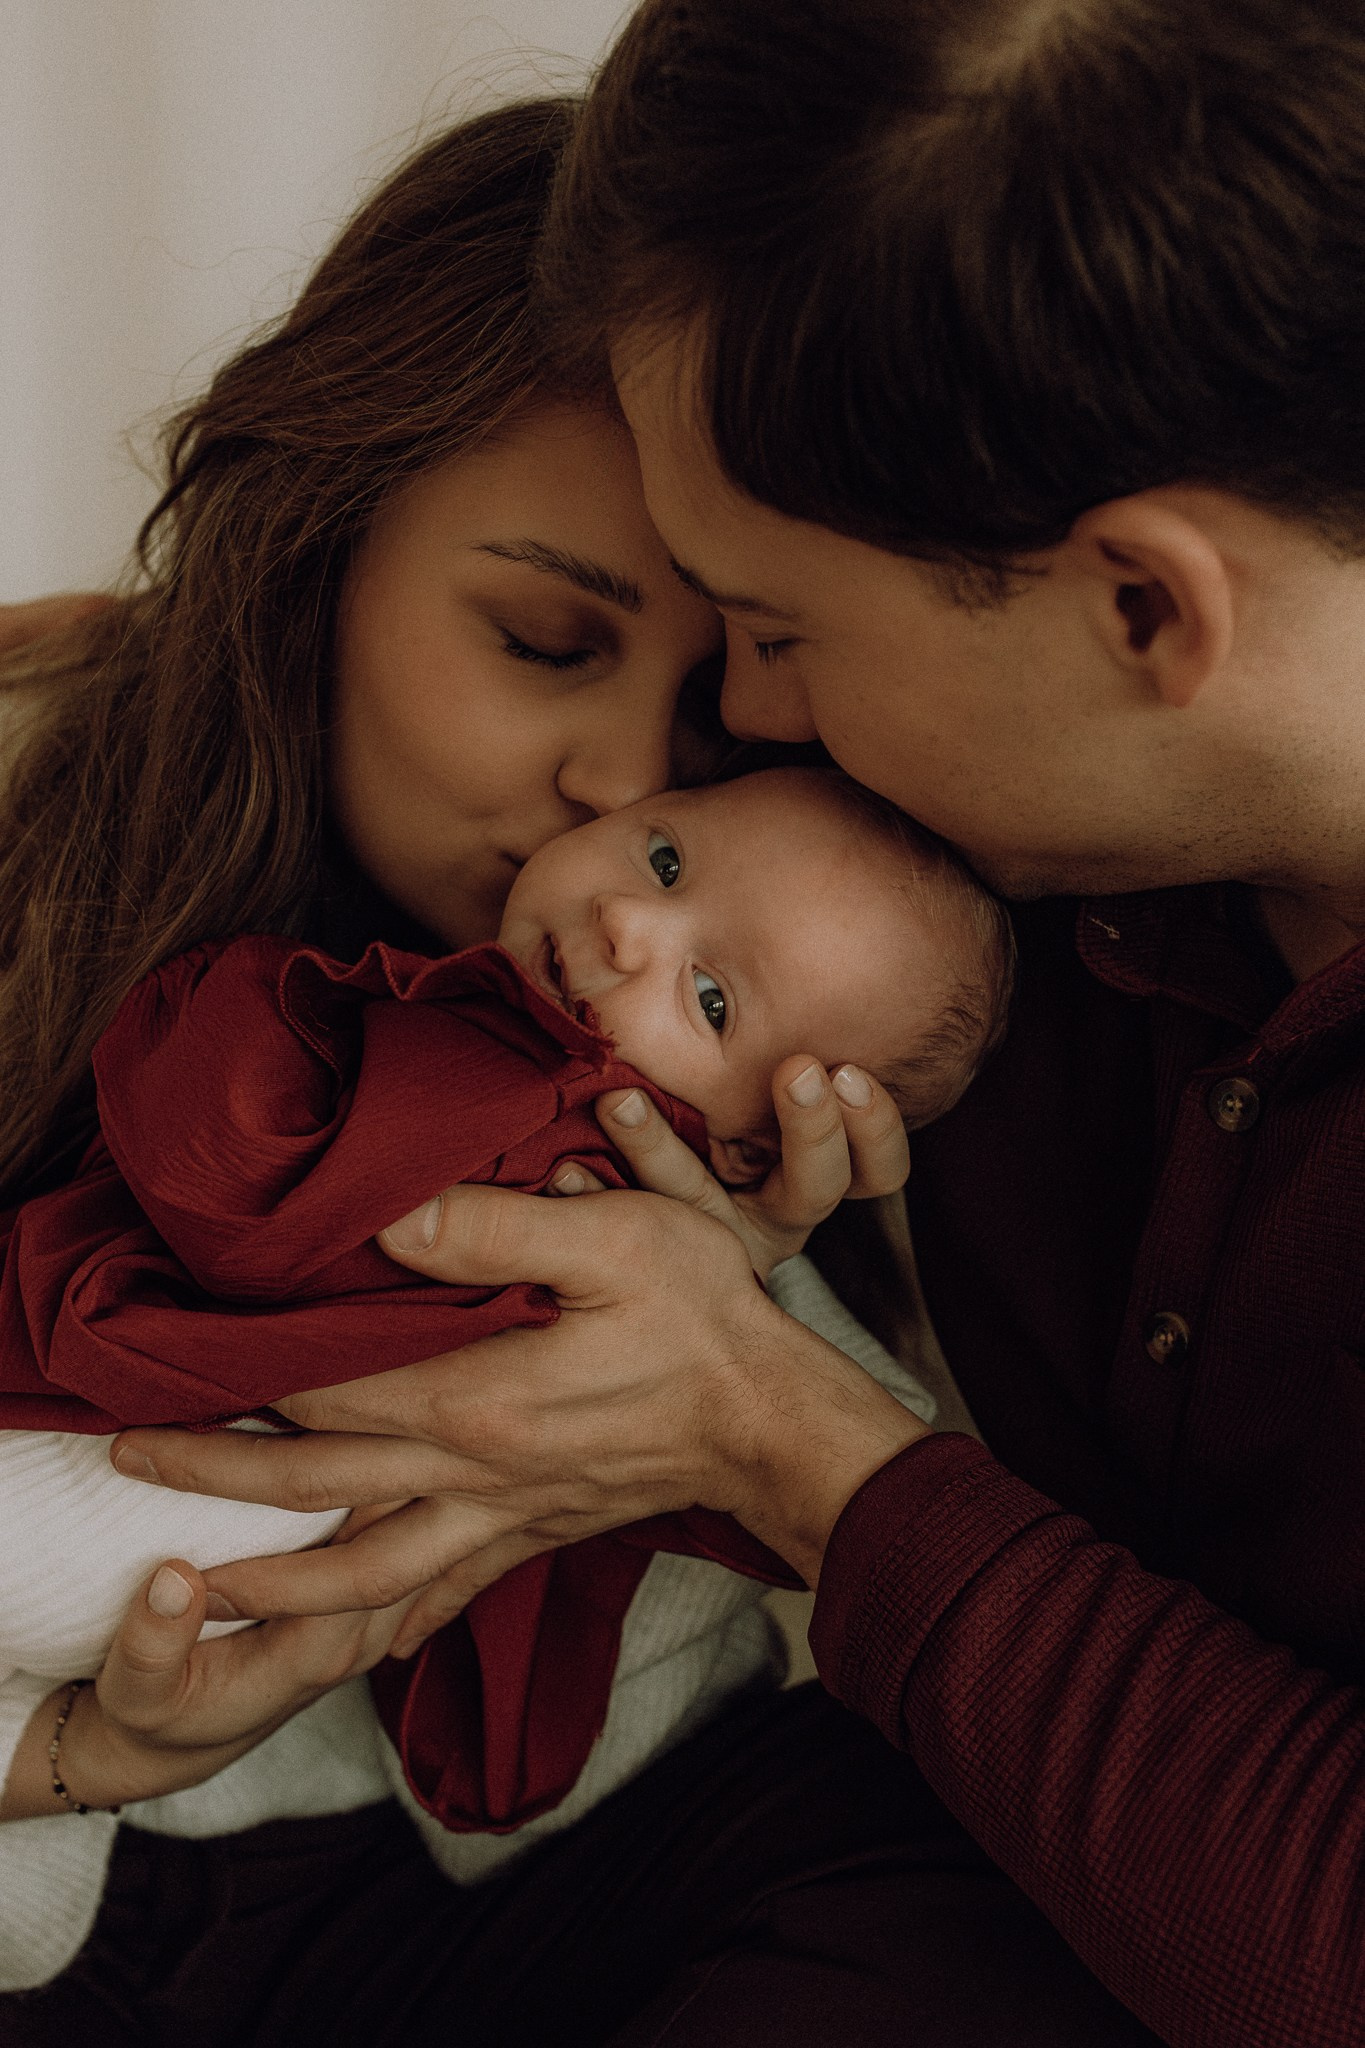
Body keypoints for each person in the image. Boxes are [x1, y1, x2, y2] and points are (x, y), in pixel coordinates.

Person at [112, 4, 1365, 2044]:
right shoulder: (1011, 846)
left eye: (774, 636)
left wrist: (774, 1429)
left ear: (1142, 610)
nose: (739, 745)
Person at [0, 90, 925, 2044]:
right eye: (540, 638)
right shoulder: (32, 787)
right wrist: (74, 1752)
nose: (625, 788)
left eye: (728, 696)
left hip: (501, 1886)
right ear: (327, 521)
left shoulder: (807, 997)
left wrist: (739, 1310)